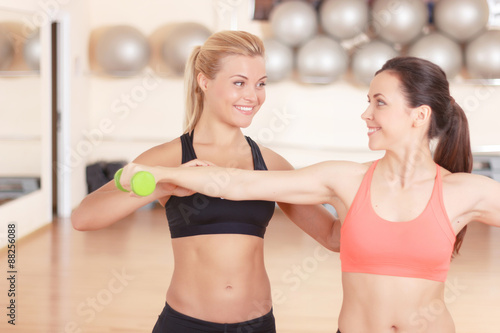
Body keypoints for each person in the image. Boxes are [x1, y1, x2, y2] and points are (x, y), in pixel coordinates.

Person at [119, 56, 500, 333]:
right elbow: (241, 183)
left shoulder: (464, 192)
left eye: (379, 103)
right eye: (368, 101)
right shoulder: (344, 179)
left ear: (419, 116)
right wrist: (158, 174)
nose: (366, 114)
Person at [71, 30, 340, 333]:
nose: (253, 96)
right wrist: (165, 184)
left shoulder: (269, 163)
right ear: (204, 81)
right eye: (239, 82)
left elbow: (332, 236)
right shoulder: (170, 158)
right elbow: (83, 217)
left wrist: (359, 191)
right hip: (185, 325)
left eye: (260, 84)